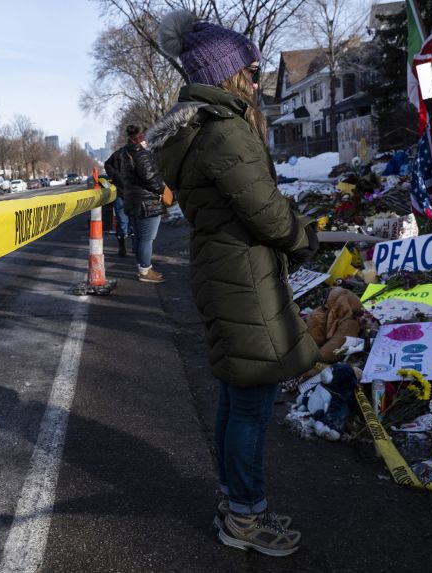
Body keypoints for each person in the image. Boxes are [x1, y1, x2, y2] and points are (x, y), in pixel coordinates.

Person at [148, 10, 320, 557]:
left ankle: (234, 500)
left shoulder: (195, 131)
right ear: (230, 75)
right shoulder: (226, 132)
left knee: (235, 393)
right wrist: (305, 239)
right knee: (250, 402)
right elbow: (266, 213)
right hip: (243, 277)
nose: (254, 76)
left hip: (221, 272)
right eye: (248, 68)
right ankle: (246, 516)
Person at [116, 124, 166, 283]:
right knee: (146, 239)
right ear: (141, 137)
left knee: (138, 237)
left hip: (133, 200)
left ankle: (143, 267)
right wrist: (161, 189)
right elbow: (150, 178)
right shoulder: (141, 154)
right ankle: (145, 271)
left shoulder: (126, 153)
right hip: (147, 202)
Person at [103, 146, 132, 257]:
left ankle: (136, 246)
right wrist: (116, 176)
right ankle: (122, 246)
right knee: (122, 221)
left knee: (134, 220)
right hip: (120, 193)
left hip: (135, 193)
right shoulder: (119, 153)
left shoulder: (141, 153)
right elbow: (107, 165)